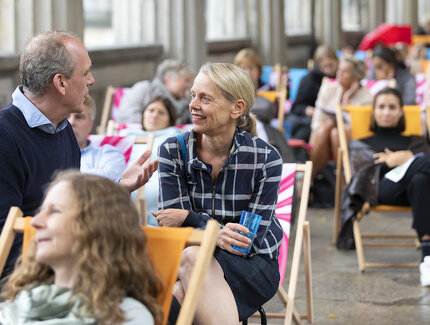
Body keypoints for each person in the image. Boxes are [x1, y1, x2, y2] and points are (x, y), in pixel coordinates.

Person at [0, 31, 158, 277]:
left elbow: (71, 208)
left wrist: (118, 188)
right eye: (85, 73)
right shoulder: (5, 137)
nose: (92, 80)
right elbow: (5, 238)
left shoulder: (61, 128)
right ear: (60, 83)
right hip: (26, 283)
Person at [154, 63, 283, 324]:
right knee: (184, 276)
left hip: (253, 266)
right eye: (193, 95)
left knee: (177, 287)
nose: (193, 104)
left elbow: (247, 242)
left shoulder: (265, 158)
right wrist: (214, 231)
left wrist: (193, 221)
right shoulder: (173, 151)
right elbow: (174, 233)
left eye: (205, 98)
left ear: (237, 108)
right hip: (189, 261)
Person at [0, 171, 163, 324]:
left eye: (54, 211)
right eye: (41, 211)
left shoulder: (126, 315)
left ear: (96, 227)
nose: (35, 222)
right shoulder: (19, 304)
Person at [338, 88, 430, 286]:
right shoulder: (360, 144)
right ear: (373, 112)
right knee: (423, 167)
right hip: (382, 190)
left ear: (400, 112)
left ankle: (427, 259)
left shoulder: (418, 141)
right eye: (381, 107)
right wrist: (404, 161)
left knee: (422, 180)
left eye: (392, 107)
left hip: (416, 194)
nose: (386, 112)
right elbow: (363, 176)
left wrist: (406, 160)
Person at [120, 96, 182, 225]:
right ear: (143, 115)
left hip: (156, 187)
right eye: (151, 110)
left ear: (169, 120)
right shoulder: (126, 136)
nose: (154, 115)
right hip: (125, 186)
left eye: (161, 112)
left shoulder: (175, 136)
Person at [309, 55, 373, 178]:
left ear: (356, 77)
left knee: (337, 132)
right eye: (339, 70)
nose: (339, 74)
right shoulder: (328, 89)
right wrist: (331, 123)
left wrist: (346, 101)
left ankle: (311, 179)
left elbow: (361, 130)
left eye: (344, 72)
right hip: (322, 136)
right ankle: (339, 178)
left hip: (352, 140)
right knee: (326, 128)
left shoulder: (366, 97)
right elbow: (316, 122)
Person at [233, 48, 295, 162]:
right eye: (243, 68)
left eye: (251, 68)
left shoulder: (268, 89)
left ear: (258, 70)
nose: (247, 72)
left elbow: (274, 113)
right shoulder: (233, 90)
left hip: (267, 129)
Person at [117, 59, 194, 124]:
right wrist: (156, 124)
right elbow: (125, 116)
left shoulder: (185, 105)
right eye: (186, 80)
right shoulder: (144, 89)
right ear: (168, 78)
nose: (188, 86)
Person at [69, 94, 126, 181]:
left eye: (79, 117)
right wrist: (96, 173)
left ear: (90, 125)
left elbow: (108, 182)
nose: (71, 122)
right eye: (65, 117)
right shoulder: (48, 151)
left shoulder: (109, 153)